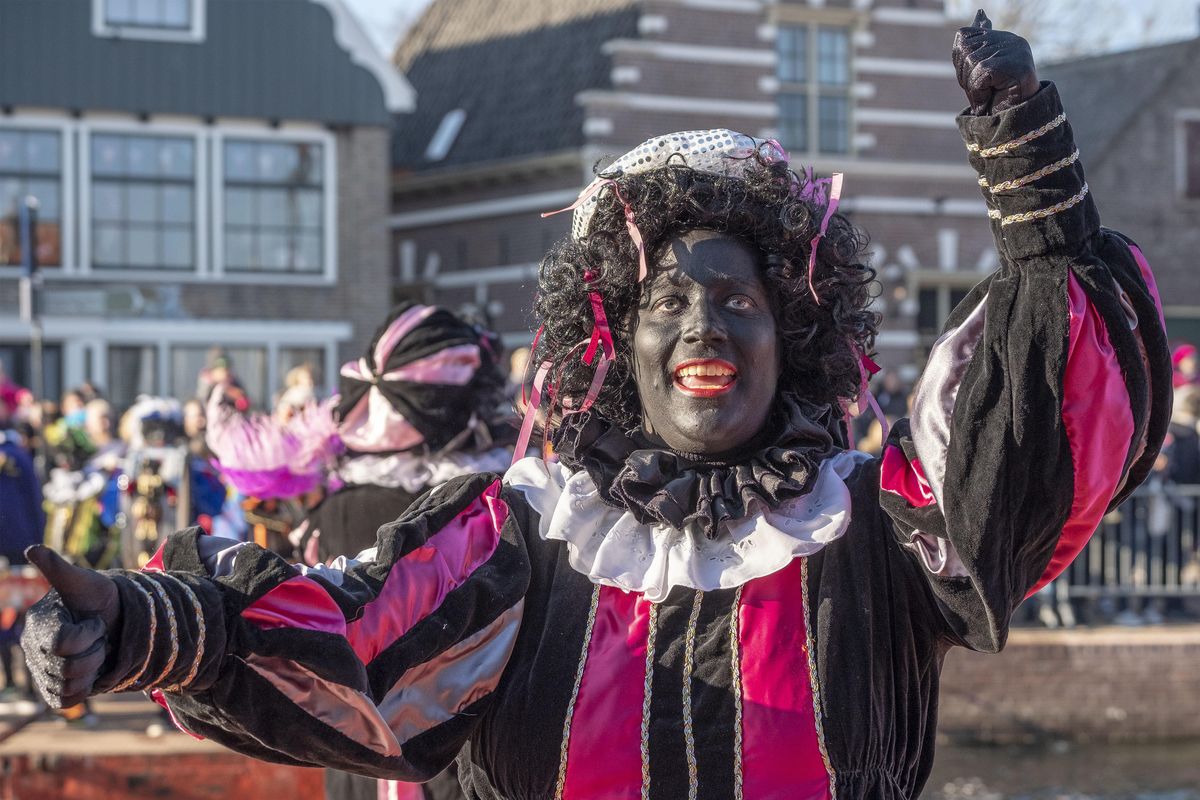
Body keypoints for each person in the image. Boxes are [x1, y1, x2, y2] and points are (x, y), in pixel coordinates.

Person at [18, 15, 1172, 799]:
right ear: (616, 342)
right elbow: (352, 641)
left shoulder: (875, 526)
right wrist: (135, 624)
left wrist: (1036, 187)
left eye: (741, 299)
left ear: (800, 329)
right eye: (671, 300)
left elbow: (1043, 432)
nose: (707, 329)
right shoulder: (518, 535)